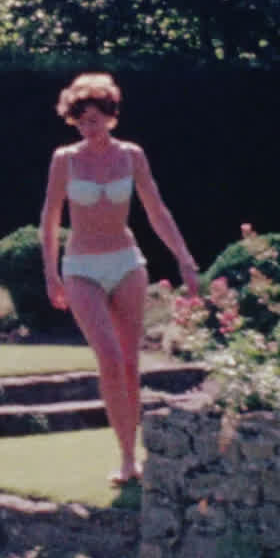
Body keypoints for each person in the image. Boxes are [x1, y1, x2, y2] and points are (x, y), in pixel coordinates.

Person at [39, 73, 198, 485]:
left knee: (130, 363)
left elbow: (156, 210)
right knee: (108, 359)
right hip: (81, 268)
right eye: (80, 121)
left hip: (127, 262)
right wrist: (51, 274)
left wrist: (183, 258)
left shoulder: (132, 155)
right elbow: (50, 219)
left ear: (111, 116)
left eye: (94, 119)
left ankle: (134, 457)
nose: (87, 128)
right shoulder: (65, 160)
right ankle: (126, 457)